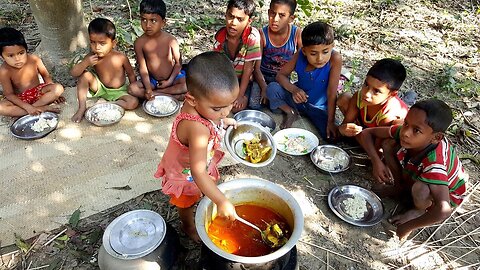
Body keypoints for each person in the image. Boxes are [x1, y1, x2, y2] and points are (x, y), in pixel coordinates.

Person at [154, 52, 239, 242]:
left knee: (197, 191)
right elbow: (198, 172)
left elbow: (210, 114)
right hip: (185, 173)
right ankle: (188, 226)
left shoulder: (199, 103)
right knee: (185, 201)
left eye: (230, 104)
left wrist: (222, 119)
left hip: (192, 161)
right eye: (217, 109)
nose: (225, 111)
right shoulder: (198, 130)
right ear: (192, 99)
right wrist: (221, 201)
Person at [359, 99, 468, 240]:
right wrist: (376, 162)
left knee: (420, 189)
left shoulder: (435, 163)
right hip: (418, 172)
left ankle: (420, 210)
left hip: (447, 192)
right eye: (406, 123)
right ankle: (399, 187)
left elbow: (443, 210)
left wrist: (408, 227)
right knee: (388, 144)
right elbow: (366, 133)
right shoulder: (406, 133)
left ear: (436, 137)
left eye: (416, 130)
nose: (406, 133)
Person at [266, 21, 342, 140]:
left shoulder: (335, 59)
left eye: (325, 52)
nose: (320, 58)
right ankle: (291, 112)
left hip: (319, 107)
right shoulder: (299, 55)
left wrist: (331, 121)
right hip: (298, 101)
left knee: (332, 137)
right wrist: (294, 89)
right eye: (313, 53)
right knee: (272, 88)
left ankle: (314, 117)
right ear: (305, 51)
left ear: (332, 46)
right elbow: (280, 76)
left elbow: (332, 93)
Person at [71, 18, 138, 123]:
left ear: (113, 43)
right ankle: (82, 108)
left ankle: (110, 105)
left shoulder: (121, 57)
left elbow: (131, 74)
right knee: (84, 76)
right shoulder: (92, 57)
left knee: (133, 102)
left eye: (102, 43)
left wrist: (134, 90)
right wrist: (85, 63)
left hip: (119, 91)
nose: (97, 47)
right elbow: (74, 73)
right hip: (100, 87)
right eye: (93, 42)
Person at [337, 58, 409, 141]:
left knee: (396, 127)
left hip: (378, 138)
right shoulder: (360, 96)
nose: (367, 94)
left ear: (391, 94)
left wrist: (361, 136)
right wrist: (342, 130)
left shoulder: (388, 115)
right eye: (366, 85)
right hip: (365, 129)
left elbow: (378, 146)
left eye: (376, 91)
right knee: (344, 98)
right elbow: (345, 124)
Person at [128, 0, 186, 101]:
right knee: (132, 89)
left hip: (173, 78)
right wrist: (148, 89)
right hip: (153, 81)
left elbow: (178, 64)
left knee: (187, 85)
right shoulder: (139, 43)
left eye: (153, 20)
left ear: (163, 22)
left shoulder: (171, 40)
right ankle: (172, 96)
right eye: (144, 20)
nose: (148, 25)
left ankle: (159, 94)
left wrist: (169, 81)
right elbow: (143, 68)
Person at [0, 27, 64, 117]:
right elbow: (9, 95)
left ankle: (31, 110)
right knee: (1, 107)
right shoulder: (4, 71)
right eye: (11, 56)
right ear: (2, 57)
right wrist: (26, 106)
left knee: (58, 88)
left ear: (26, 50)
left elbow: (46, 76)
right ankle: (42, 108)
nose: (17, 59)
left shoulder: (34, 59)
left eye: (21, 53)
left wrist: (55, 95)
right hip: (20, 99)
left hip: (38, 92)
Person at [252, 0, 302, 109]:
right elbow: (256, 68)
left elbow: (303, 60)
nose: (275, 19)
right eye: (273, 13)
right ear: (269, 12)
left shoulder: (296, 34)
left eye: (282, 15)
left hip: (282, 80)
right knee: (254, 104)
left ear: (291, 18)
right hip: (262, 77)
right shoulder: (262, 34)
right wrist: (264, 87)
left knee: (277, 109)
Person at [213, 0, 261, 113]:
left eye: (240, 19)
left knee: (237, 107)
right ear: (226, 14)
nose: (233, 22)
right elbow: (219, 67)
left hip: (245, 80)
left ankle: (246, 94)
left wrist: (240, 95)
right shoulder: (220, 37)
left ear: (249, 21)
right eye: (231, 16)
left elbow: (248, 69)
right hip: (229, 79)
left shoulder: (252, 37)